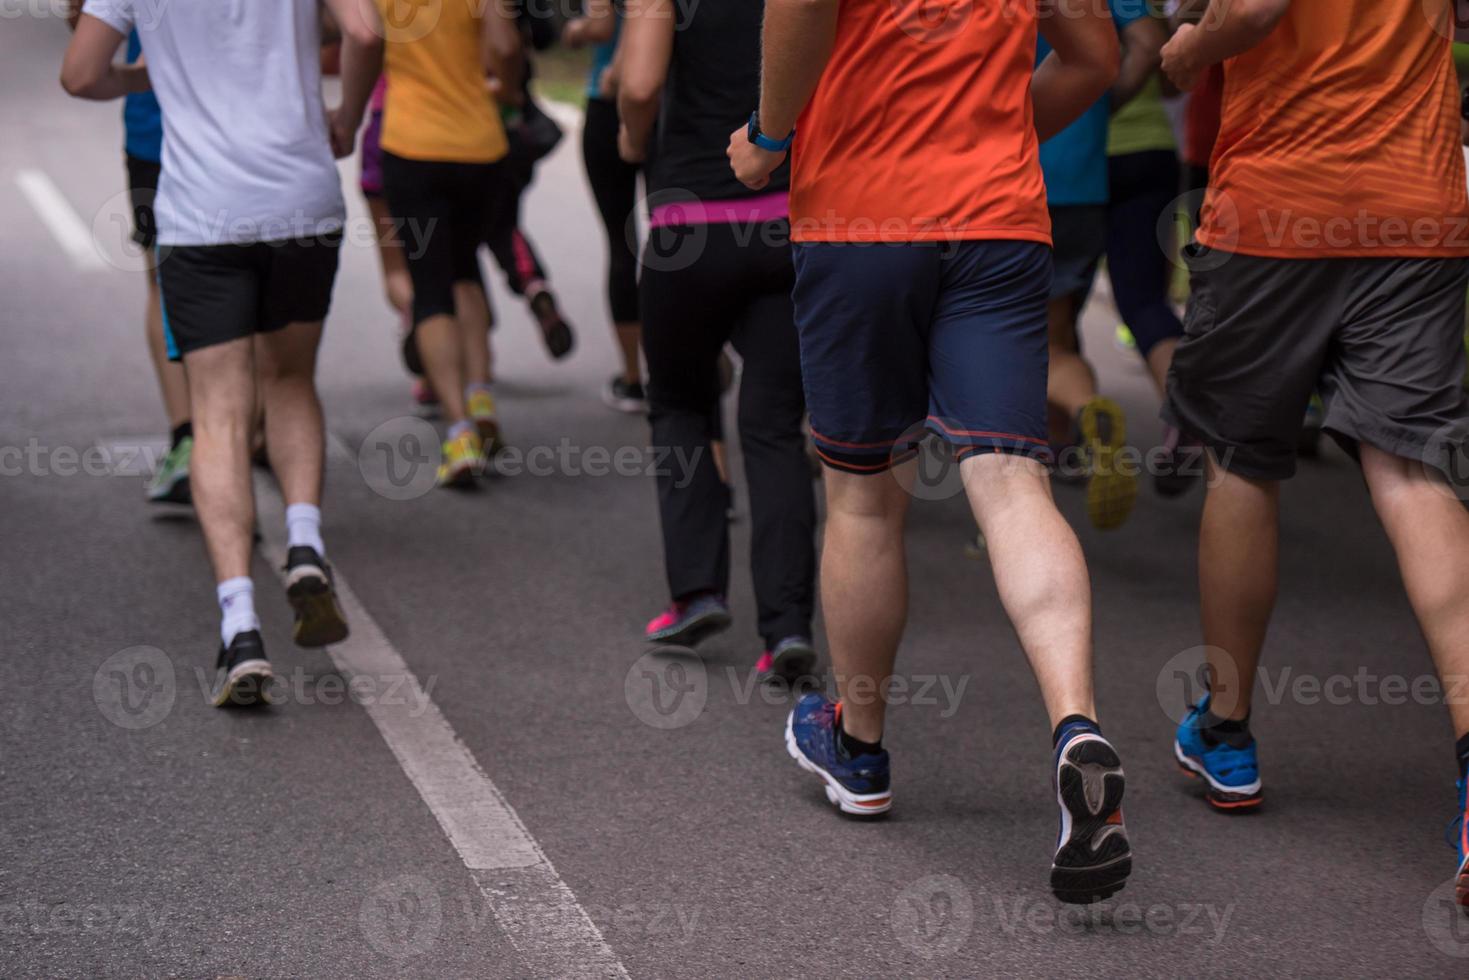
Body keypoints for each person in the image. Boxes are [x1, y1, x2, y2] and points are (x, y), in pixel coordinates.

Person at [730, 0, 1133, 901]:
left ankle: (860, 747)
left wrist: (767, 132)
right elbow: (1094, 56)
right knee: (1014, 483)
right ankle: (1076, 725)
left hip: (860, 217)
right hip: (995, 220)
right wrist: (983, 133)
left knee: (864, 494)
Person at [1159, 0, 1469, 899]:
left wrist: (1190, 49)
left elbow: (1253, 8)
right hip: (1415, 211)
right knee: (1412, 478)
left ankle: (1224, 732)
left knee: (1242, 463)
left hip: (1278, 212)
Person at [63, 0, 362, 705]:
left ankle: (241, 629)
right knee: (289, 382)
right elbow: (367, 30)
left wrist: (150, 74)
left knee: (219, 413)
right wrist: (347, 114)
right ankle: (304, 543)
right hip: (302, 200)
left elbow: (79, 76)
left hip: (203, 215)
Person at [620, 0, 818, 682]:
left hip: (689, 225)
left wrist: (629, 138)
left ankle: (697, 590)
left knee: (678, 403)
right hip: (788, 218)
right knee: (772, 429)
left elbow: (640, 83)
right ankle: (788, 628)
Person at [333, 0, 525, 487]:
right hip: (480, 144)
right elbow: (504, 45)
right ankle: (482, 395)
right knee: (466, 270)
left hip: (411, 143)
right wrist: (509, 91)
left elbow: (362, 41)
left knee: (430, 285)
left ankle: (459, 432)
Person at [1036, 0, 1160, 527]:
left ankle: (1056, 438)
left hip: (1008, 180)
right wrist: (1094, 104)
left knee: (1005, 342)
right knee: (1054, 334)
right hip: (1082, 180)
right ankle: (1070, 431)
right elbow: (1150, 42)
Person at [63, 5, 192, 504]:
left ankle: (190, 437)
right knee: (248, 273)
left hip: (156, 130)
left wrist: (134, 77)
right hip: (259, 137)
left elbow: (83, 50)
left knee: (165, 281)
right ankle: (255, 425)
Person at [1102, 4, 1194, 496]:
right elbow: (1174, 78)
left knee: (1047, 312)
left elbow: (1144, 43)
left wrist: (1101, 104)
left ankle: (1060, 438)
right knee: (1144, 301)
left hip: (1094, 154)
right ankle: (1185, 406)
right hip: (1156, 150)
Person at [564, 0, 646, 413]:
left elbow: (599, 26)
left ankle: (633, 379)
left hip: (609, 102)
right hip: (669, 102)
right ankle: (698, 355)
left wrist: (573, 31)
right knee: (681, 238)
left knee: (621, 243)